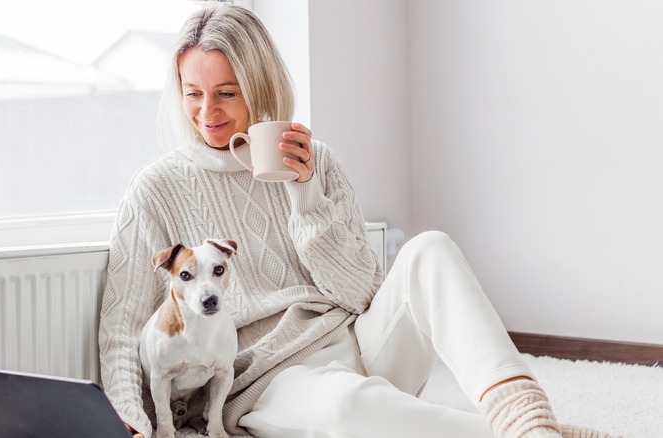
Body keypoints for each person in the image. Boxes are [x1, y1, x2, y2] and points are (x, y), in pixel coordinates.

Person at [99, 5, 616, 438]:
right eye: (193, 92)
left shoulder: (313, 161)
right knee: (348, 410)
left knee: (429, 249)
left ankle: (523, 414)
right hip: (269, 379)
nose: (207, 110)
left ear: (259, 85)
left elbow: (362, 291)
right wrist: (130, 418)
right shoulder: (156, 189)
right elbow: (122, 323)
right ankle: (538, 434)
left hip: (362, 344)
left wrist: (305, 197)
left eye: (227, 92)